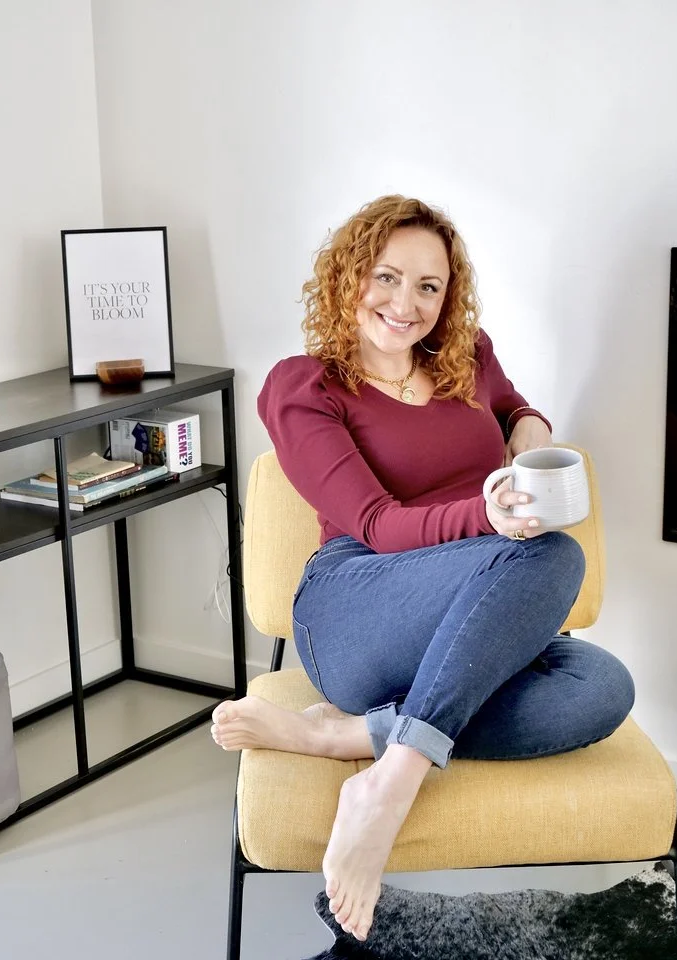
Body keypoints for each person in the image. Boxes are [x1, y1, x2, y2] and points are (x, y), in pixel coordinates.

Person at [210, 195, 635, 943]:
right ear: (349, 277)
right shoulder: (303, 386)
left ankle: (349, 739)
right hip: (355, 603)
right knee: (553, 554)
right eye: (387, 277)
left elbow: (512, 407)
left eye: (429, 287)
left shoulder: (468, 357)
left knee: (601, 688)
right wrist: (488, 514)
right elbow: (373, 524)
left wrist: (528, 427)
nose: (406, 304)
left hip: (472, 607)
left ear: (449, 296)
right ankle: (388, 788)